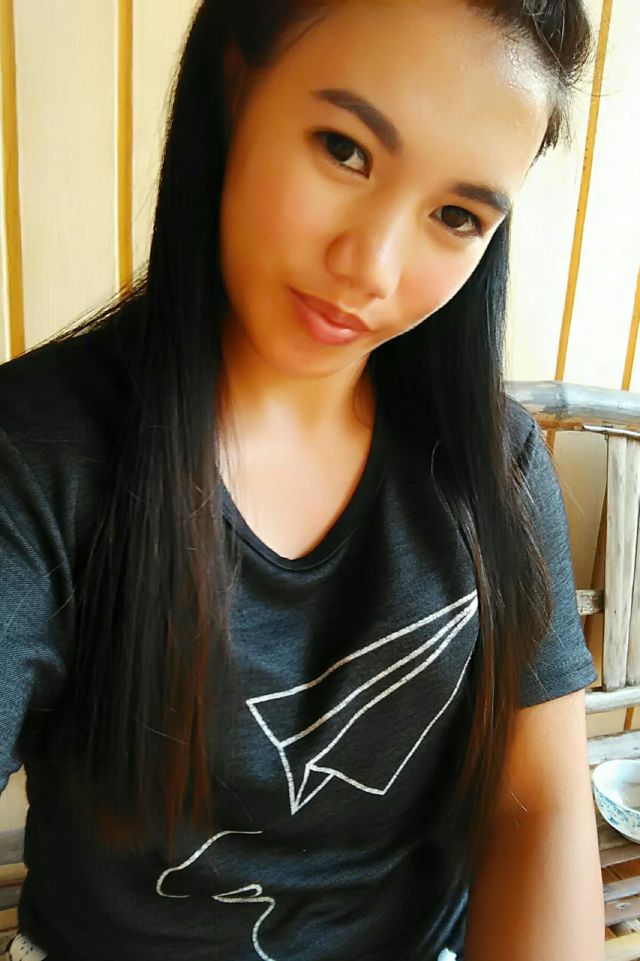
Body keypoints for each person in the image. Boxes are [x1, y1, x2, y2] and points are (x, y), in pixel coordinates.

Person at [0, 1, 604, 959]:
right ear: (237, 85)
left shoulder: (495, 465)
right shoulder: (35, 458)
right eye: (345, 150)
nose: (371, 267)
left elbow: (538, 810)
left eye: (455, 216)